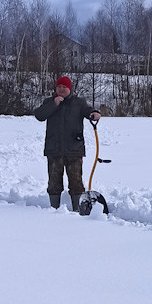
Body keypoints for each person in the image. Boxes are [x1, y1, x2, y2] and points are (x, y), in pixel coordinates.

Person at [34, 76, 101, 211]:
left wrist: (94, 113)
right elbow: (39, 115)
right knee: (54, 183)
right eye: (59, 87)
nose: (61, 89)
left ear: (69, 88)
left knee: (76, 182)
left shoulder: (78, 103)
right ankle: (54, 209)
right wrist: (55, 103)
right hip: (54, 149)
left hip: (74, 149)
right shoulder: (50, 102)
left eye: (64, 87)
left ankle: (77, 210)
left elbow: (88, 110)